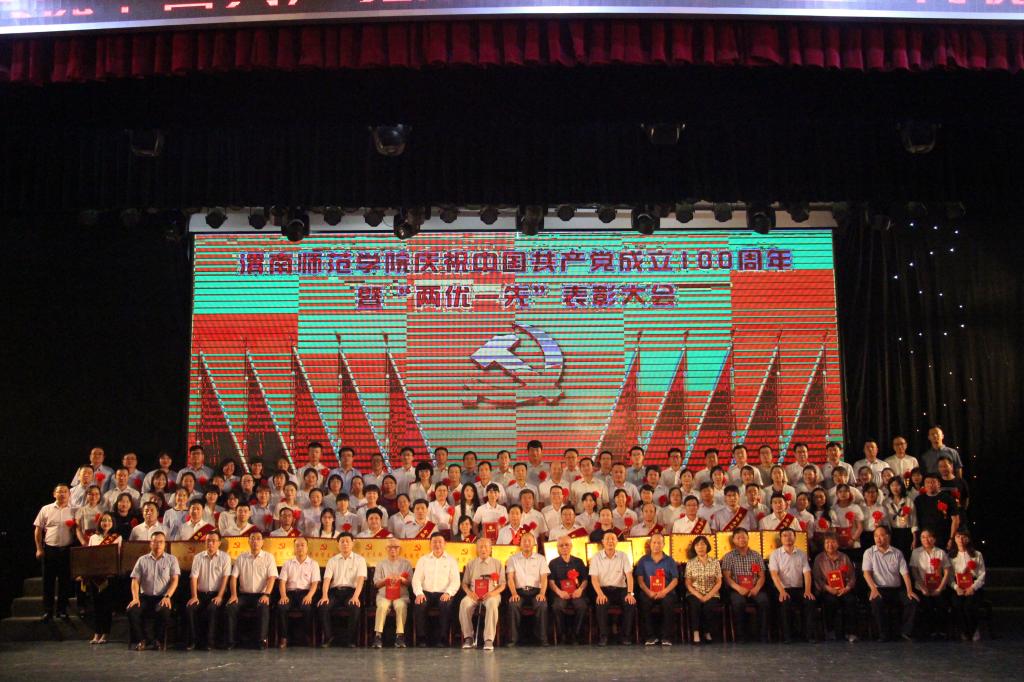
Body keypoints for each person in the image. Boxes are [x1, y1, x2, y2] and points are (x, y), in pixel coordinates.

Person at [862, 526, 919, 641]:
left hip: (896, 589)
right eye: (876, 536)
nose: (878, 538)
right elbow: (866, 573)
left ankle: (905, 632)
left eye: (881, 535)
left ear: (888, 537)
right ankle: (883, 634)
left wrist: (909, 590)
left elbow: (905, 574)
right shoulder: (869, 552)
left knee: (912, 601)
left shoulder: (897, 553)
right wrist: (873, 589)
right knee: (876, 601)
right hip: (878, 588)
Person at [126, 532, 180, 650]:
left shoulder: (172, 559)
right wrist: (135, 598)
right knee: (132, 610)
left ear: (165, 544)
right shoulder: (142, 560)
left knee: (163, 610)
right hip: (145, 597)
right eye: (155, 542)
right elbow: (135, 580)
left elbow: (175, 581)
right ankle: (142, 640)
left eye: (161, 542)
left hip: (163, 596)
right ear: (150, 543)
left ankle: (158, 640)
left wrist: (167, 596)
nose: (158, 544)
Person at [226, 531, 278, 649]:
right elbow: (233, 577)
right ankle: (231, 640)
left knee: (263, 606)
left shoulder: (268, 557)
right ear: (248, 541)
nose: (255, 541)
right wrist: (233, 594)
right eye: (252, 538)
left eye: (258, 539)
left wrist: (267, 595)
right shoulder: (241, 557)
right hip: (244, 595)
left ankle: (262, 640)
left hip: (262, 594)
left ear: (262, 542)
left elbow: (272, 578)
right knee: (231, 606)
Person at [33, 484, 76, 623]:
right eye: (59, 492)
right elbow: (38, 530)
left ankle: (62, 610)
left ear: (69, 494)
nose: (62, 494)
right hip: (50, 549)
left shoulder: (74, 510)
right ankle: (48, 611)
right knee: (48, 581)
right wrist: (39, 548)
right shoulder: (46, 509)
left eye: (65, 492)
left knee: (65, 581)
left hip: (67, 550)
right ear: (54, 494)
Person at [316, 533, 366, 647]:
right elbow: (327, 580)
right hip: (334, 592)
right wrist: (324, 595)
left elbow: (360, 580)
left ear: (352, 543)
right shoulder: (332, 560)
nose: (345, 544)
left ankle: (351, 640)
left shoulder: (360, 560)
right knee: (323, 606)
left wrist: (356, 596)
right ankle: (328, 637)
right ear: (338, 544)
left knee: (355, 607)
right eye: (342, 541)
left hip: (351, 592)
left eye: (347, 541)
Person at [720, 528, 770, 643]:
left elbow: (761, 576)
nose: (741, 540)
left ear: (748, 538)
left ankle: (763, 636)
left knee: (764, 601)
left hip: (755, 588)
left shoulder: (756, 555)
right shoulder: (729, 556)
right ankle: (740, 636)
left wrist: (756, 588)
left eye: (744, 537)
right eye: (738, 538)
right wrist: (739, 588)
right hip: (736, 589)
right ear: (733, 540)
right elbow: (727, 578)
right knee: (738, 603)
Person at [768, 528, 817, 643]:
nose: (788, 538)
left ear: (795, 537)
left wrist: (808, 590)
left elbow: (807, 573)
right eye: (784, 535)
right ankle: (787, 637)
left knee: (809, 601)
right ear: (781, 539)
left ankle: (808, 636)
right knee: (784, 602)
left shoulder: (802, 554)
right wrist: (782, 591)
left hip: (798, 588)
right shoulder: (775, 554)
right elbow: (774, 574)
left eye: (790, 535)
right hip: (782, 589)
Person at [412, 533, 460, 647]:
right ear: (430, 544)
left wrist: (448, 593)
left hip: (444, 593)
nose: (437, 544)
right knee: (420, 603)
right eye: (434, 542)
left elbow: (456, 581)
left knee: (446, 604)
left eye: (440, 542)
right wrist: (419, 593)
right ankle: (421, 639)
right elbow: (416, 579)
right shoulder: (423, 560)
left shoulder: (451, 560)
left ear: (445, 544)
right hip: (426, 593)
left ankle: (443, 639)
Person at [185, 530, 231, 650]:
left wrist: (220, 596)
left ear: (219, 543)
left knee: (212, 608)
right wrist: (194, 596)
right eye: (208, 541)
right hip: (200, 594)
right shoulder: (198, 557)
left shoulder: (225, 557)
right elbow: (194, 578)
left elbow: (225, 579)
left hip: (217, 594)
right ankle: (193, 641)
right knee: (190, 608)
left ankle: (210, 642)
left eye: (213, 541)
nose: (210, 543)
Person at [590, 530, 637, 646]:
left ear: (617, 541)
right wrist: (600, 594)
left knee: (630, 603)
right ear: (602, 541)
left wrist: (630, 593)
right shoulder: (596, 557)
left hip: (621, 590)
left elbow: (629, 576)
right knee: (601, 603)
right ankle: (603, 636)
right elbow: (594, 578)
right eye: (607, 539)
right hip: (603, 590)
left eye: (613, 539)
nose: (610, 541)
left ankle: (625, 636)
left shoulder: (623, 556)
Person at [459, 537, 506, 650]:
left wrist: (492, 593)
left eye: (486, 547)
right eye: (480, 547)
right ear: (477, 549)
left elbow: (503, 584)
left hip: (492, 594)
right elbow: (464, 583)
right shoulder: (471, 564)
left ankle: (488, 639)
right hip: (474, 594)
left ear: (490, 549)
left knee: (492, 604)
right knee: (464, 603)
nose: (483, 549)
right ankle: (468, 637)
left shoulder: (497, 563)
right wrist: (469, 593)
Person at [505, 532, 549, 646]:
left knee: (542, 604)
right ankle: (513, 639)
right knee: (513, 605)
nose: (527, 543)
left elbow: (544, 578)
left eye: (529, 540)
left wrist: (542, 593)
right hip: (519, 592)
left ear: (534, 543)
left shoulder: (541, 559)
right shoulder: (513, 559)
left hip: (536, 591)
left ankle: (542, 639)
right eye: (524, 541)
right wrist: (514, 593)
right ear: (520, 544)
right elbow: (510, 578)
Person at [83, 512, 121, 644]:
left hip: (109, 575)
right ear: (100, 523)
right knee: (96, 606)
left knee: (107, 606)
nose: (106, 523)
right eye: (104, 520)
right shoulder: (93, 537)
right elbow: (88, 555)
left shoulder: (117, 538)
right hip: (95, 576)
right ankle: (96, 633)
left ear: (113, 523)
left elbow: (118, 556)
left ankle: (105, 633)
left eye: (109, 520)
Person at [634, 532, 679, 646]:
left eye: (659, 543)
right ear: (650, 544)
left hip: (666, 592)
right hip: (648, 592)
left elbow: (675, 580)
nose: (656, 545)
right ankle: (650, 637)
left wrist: (664, 591)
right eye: (654, 542)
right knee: (644, 602)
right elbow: (640, 580)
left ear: (664, 544)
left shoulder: (670, 560)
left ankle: (666, 637)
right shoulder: (643, 560)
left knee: (668, 603)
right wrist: (649, 592)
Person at [812, 533, 858, 642]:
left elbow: (852, 576)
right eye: (827, 542)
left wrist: (847, 588)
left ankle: (850, 633)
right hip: (827, 590)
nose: (830, 545)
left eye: (833, 542)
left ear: (838, 544)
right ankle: (830, 631)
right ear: (823, 545)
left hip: (844, 589)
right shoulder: (819, 559)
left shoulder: (844, 557)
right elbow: (817, 578)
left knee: (851, 601)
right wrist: (828, 588)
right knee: (830, 602)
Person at [275, 537, 320, 649]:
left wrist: (309, 596)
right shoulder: (288, 563)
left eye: (302, 545)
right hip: (290, 593)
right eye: (297, 545)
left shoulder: (313, 564)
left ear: (307, 547)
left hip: (306, 593)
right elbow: (282, 582)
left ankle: (306, 636)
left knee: (308, 608)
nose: (300, 548)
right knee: (282, 607)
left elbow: (315, 583)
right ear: (294, 548)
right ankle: (284, 637)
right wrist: (283, 596)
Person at [909, 528, 952, 639]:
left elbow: (947, 572)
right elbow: (914, 572)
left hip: (939, 587)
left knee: (942, 605)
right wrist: (923, 588)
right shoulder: (916, 552)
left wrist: (939, 589)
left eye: (929, 537)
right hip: (922, 587)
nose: (926, 540)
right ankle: (928, 631)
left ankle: (941, 631)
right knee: (926, 606)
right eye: (923, 537)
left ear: (934, 539)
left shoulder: (940, 552)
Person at [547, 535, 590, 644]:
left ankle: (576, 634)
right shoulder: (553, 563)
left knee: (582, 606)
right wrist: (559, 592)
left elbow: (585, 580)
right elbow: (551, 582)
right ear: (557, 548)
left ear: (571, 546)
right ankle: (562, 634)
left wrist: (580, 590)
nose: (564, 547)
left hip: (576, 593)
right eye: (561, 545)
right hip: (561, 594)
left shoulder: (578, 562)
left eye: (567, 545)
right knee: (557, 606)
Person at [371, 539, 414, 648]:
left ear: (400, 549)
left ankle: (400, 636)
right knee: (382, 606)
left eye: (396, 547)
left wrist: (401, 579)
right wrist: (386, 580)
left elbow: (410, 583)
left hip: (401, 595)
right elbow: (376, 584)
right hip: (384, 595)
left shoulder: (406, 563)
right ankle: (378, 636)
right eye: (390, 547)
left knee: (401, 606)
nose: (393, 549)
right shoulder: (381, 564)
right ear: (386, 549)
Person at [684, 535, 723, 644]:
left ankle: (707, 632)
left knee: (709, 607)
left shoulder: (715, 562)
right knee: (695, 605)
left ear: (707, 546)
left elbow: (719, 582)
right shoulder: (690, 563)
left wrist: (708, 595)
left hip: (712, 593)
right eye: (697, 545)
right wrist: (699, 595)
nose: (700, 547)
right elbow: (688, 583)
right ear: (694, 548)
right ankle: (696, 632)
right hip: (694, 593)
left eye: (702, 544)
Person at [950, 529, 985, 641]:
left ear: (968, 539)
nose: (960, 539)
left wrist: (973, 587)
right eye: (958, 537)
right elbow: (949, 577)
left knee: (969, 606)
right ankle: (964, 631)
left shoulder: (977, 554)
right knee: (957, 604)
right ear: (955, 539)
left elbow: (982, 574)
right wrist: (956, 587)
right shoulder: (951, 556)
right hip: (958, 585)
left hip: (973, 585)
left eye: (963, 537)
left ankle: (974, 630)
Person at [914, 474, 960, 550]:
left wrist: (951, 538)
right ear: (924, 485)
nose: (930, 485)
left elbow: (955, 520)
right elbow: (915, 521)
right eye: (927, 482)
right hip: (925, 539)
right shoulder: (918, 500)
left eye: (933, 482)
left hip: (943, 537)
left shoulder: (947, 498)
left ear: (939, 484)